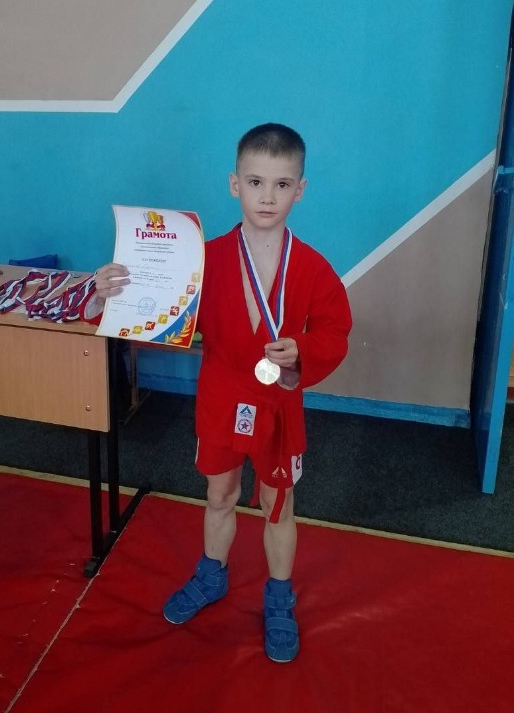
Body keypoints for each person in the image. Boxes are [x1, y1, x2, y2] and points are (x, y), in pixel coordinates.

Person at [90, 123, 352, 663]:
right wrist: (108, 295)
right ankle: (212, 575)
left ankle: (279, 596)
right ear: (235, 184)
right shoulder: (200, 260)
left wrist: (302, 350)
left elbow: (336, 331)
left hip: (279, 404)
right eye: (256, 182)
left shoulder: (312, 266)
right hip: (222, 395)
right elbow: (151, 310)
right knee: (219, 495)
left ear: (300, 190)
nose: (267, 197)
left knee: (278, 504)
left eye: (282, 184)